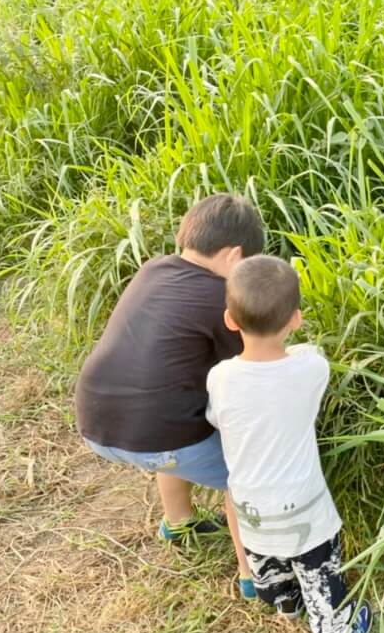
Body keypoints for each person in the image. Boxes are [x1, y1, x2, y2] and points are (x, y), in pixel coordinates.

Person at [75, 193, 263, 595]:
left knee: (170, 414)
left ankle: (177, 521)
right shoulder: (222, 299)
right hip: (155, 438)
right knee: (244, 473)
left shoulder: (152, 269)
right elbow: (247, 370)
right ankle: (253, 576)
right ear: (234, 256)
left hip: (95, 419)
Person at [206, 255, 371, 633]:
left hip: (250, 507)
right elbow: (310, 355)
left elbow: (216, 415)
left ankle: (284, 602)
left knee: (269, 562)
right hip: (303, 508)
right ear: (295, 319)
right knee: (318, 569)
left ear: (230, 320)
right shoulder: (311, 368)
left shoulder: (220, 377)